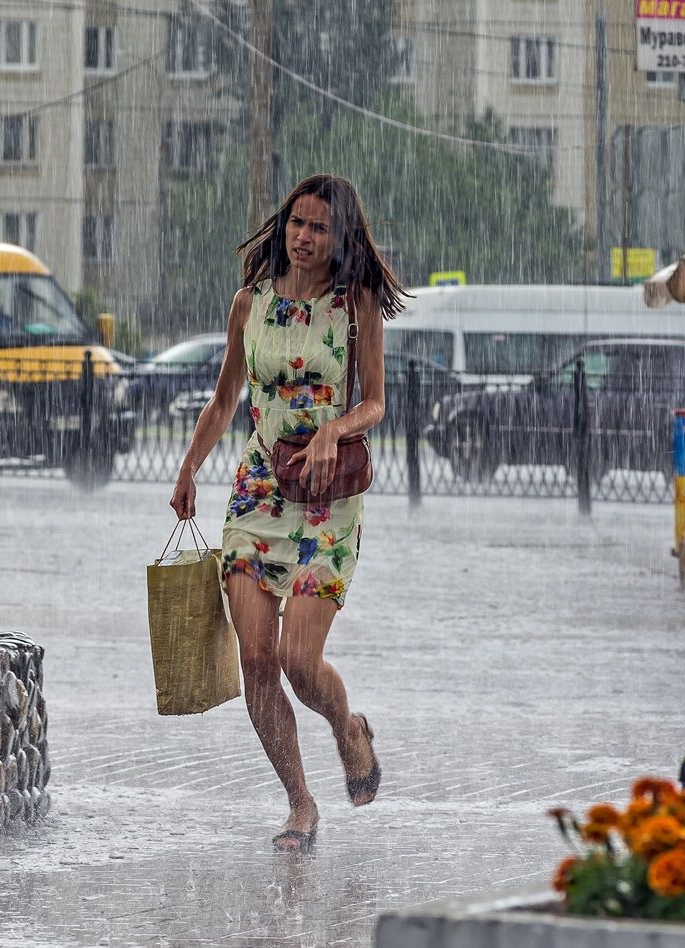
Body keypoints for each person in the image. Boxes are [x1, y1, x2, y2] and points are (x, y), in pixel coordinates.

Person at [169, 174, 409, 853]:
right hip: (259, 493)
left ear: (340, 239)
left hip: (328, 500)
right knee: (257, 658)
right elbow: (223, 402)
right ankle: (300, 803)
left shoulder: (354, 302)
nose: (304, 237)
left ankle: (348, 729)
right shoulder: (251, 303)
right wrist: (189, 467)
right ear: (284, 225)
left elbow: (377, 402)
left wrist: (336, 430)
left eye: (319, 229)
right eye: (297, 223)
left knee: (302, 661)